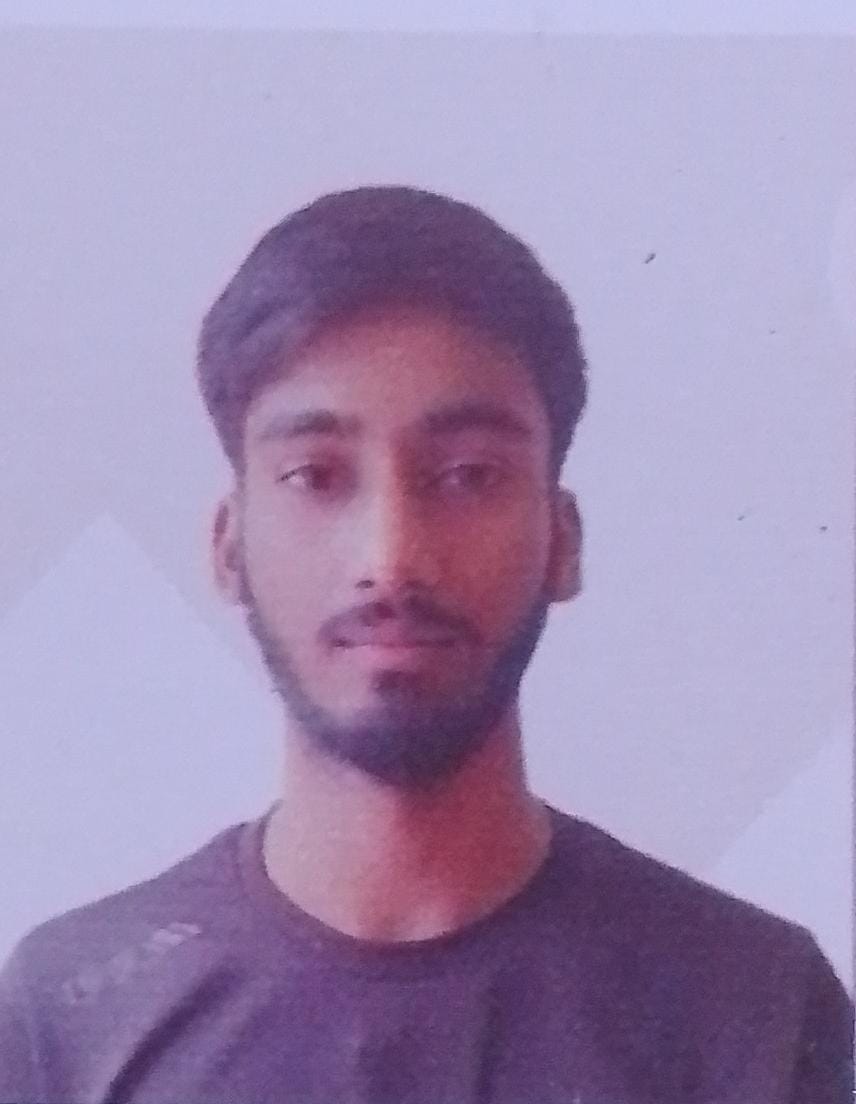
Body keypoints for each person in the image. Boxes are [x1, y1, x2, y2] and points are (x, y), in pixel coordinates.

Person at [0, 186, 851, 1104]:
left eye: (468, 475)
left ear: (562, 540)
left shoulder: (757, 1013)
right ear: (228, 545)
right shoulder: (65, 1022)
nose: (391, 557)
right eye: (315, 476)